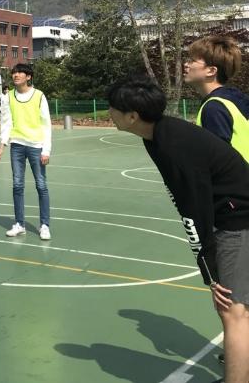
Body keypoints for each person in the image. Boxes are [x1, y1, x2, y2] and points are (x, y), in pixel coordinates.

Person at [107, 77, 249, 383]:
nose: (109, 112)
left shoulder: (173, 144)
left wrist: (209, 270)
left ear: (132, 116)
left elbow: (194, 209)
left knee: (232, 311)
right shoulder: (157, 136)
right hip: (231, 213)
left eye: (113, 108)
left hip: (237, 219)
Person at [0, 63, 53, 240]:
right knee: (17, 185)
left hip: (36, 146)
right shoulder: (8, 97)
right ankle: (19, 224)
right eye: (14, 72)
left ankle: (44, 225)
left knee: (41, 185)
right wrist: (2, 145)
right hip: (17, 146)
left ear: (28, 77)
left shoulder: (39, 95)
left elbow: (46, 124)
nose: (16, 75)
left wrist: (46, 150)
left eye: (20, 72)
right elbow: (6, 122)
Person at [184, 34, 249, 162]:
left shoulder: (214, 108)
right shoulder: (236, 99)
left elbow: (219, 163)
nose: (186, 64)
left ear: (211, 71)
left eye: (192, 60)